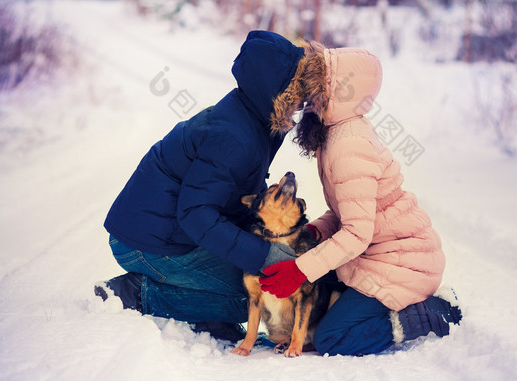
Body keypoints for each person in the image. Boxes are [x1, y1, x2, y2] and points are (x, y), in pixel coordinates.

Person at [96, 31, 323, 342]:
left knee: (256, 277)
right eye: (298, 92)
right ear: (278, 91)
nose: (302, 103)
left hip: (168, 231)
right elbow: (197, 215)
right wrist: (265, 256)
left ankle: (207, 312)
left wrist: (280, 238)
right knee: (253, 295)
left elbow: (227, 199)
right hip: (145, 243)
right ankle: (136, 293)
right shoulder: (235, 136)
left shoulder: (252, 120)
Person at [259, 42, 463, 356]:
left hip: (402, 265)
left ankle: (429, 314)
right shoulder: (337, 131)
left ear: (338, 92)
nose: (306, 98)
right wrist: (315, 232)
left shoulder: (348, 145)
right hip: (377, 254)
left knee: (332, 338)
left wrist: (299, 270)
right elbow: (347, 211)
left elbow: (357, 233)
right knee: (321, 302)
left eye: (315, 88)